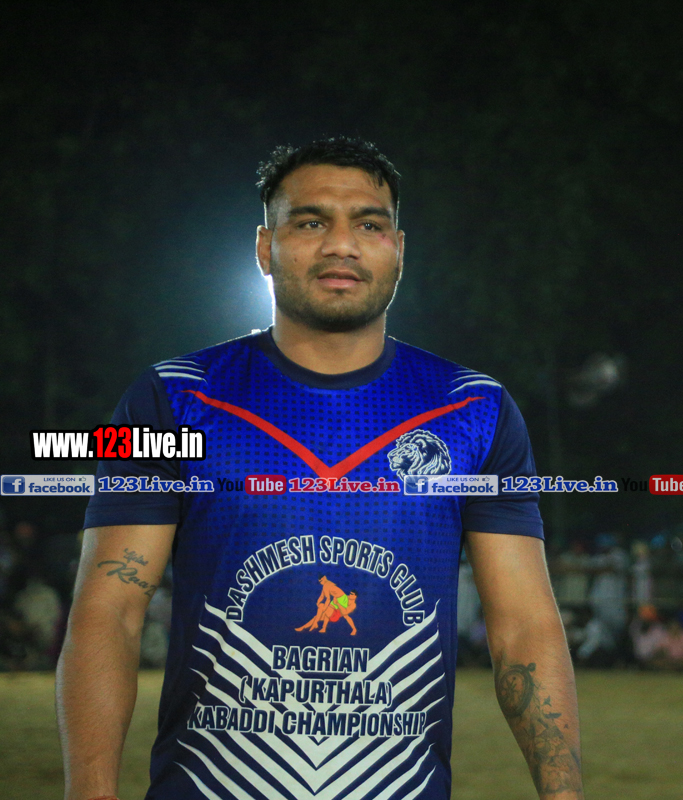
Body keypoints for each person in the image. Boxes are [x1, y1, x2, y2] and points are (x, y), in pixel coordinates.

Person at [56, 138, 583, 800]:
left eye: (369, 224)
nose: (341, 245)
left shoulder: (476, 411)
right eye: (310, 222)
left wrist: (564, 794)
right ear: (265, 247)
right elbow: (110, 609)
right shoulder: (169, 398)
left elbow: (523, 625)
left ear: (399, 250)